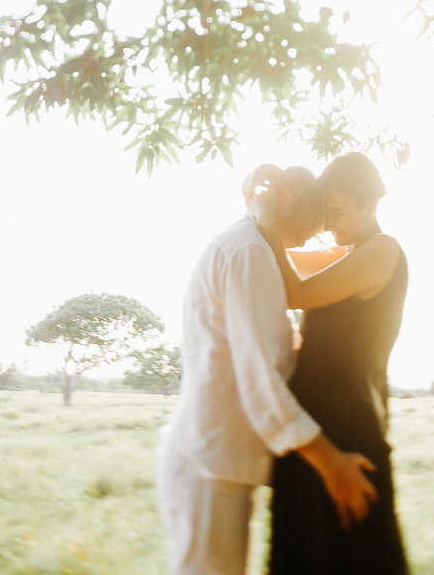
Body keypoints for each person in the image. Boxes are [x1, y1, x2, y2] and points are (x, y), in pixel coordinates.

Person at [156, 166, 379, 575]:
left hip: (219, 463)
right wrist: (331, 464)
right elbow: (260, 379)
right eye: (318, 217)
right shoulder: (250, 252)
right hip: (211, 466)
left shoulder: (253, 246)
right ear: (290, 192)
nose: (319, 232)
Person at [266, 152, 410, 575]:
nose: (329, 225)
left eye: (338, 212)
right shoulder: (347, 252)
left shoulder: (383, 251)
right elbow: (277, 258)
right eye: (325, 215)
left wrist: (264, 216)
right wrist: (272, 212)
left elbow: (292, 290)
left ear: (370, 202)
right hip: (312, 437)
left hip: (348, 439)